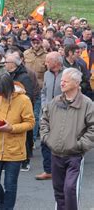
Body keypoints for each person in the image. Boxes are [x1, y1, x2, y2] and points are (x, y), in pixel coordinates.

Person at [40, 68, 94, 210]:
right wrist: (47, 138)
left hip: (74, 155)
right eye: (61, 80)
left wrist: (80, 145)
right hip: (56, 154)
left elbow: (92, 128)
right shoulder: (55, 101)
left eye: (65, 80)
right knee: (58, 191)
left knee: (69, 190)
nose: (61, 83)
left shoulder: (87, 104)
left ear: (76, 83)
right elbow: (44, 120)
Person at [0, 74, 35, 210]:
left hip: (14, 148)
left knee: (10, 184)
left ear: (9, 89)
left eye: (1, 92)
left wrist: (11, 128)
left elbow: (30, 123)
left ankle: (6, 208)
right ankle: (2, 205)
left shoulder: (24, 100)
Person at [36, 52, 64, 181]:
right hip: (46, 113)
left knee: (60, 143)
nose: (45, 63)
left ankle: (61, 170)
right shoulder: (47, 74)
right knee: (44, 141)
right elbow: (43, 92)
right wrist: (44, 105)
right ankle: (48, 170)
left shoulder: (67, 74)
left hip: (62, 114)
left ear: (56, 62)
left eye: (47, 61)